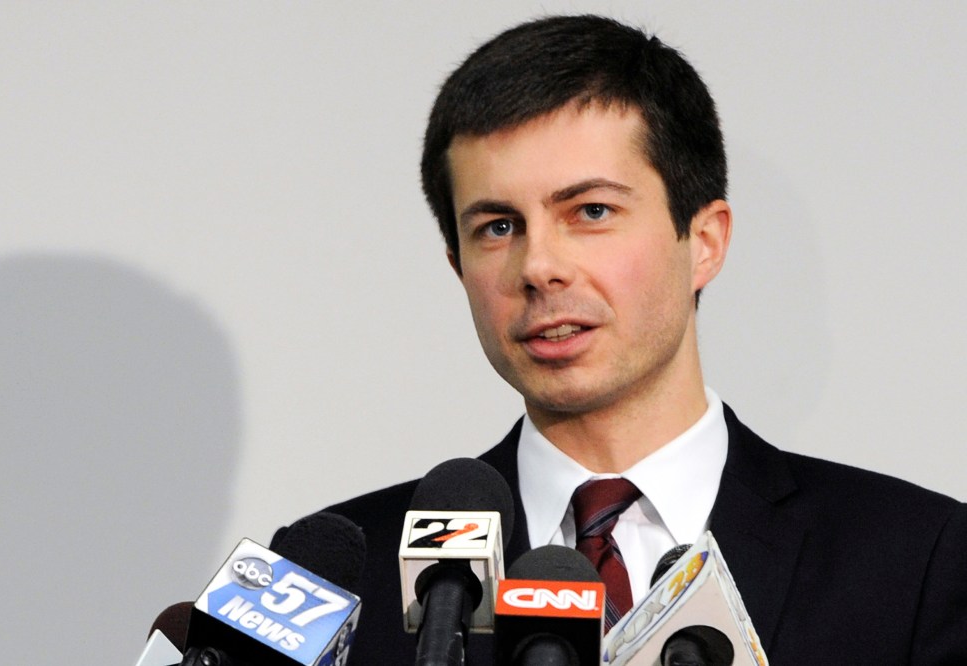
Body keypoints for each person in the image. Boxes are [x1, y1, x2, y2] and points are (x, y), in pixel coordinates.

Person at [276, 15, 967, 664]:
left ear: (703, 240)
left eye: (591, 211)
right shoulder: (331, 583)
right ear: (457, 265)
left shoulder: (917, 564)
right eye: (497, 227)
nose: (539, 267)